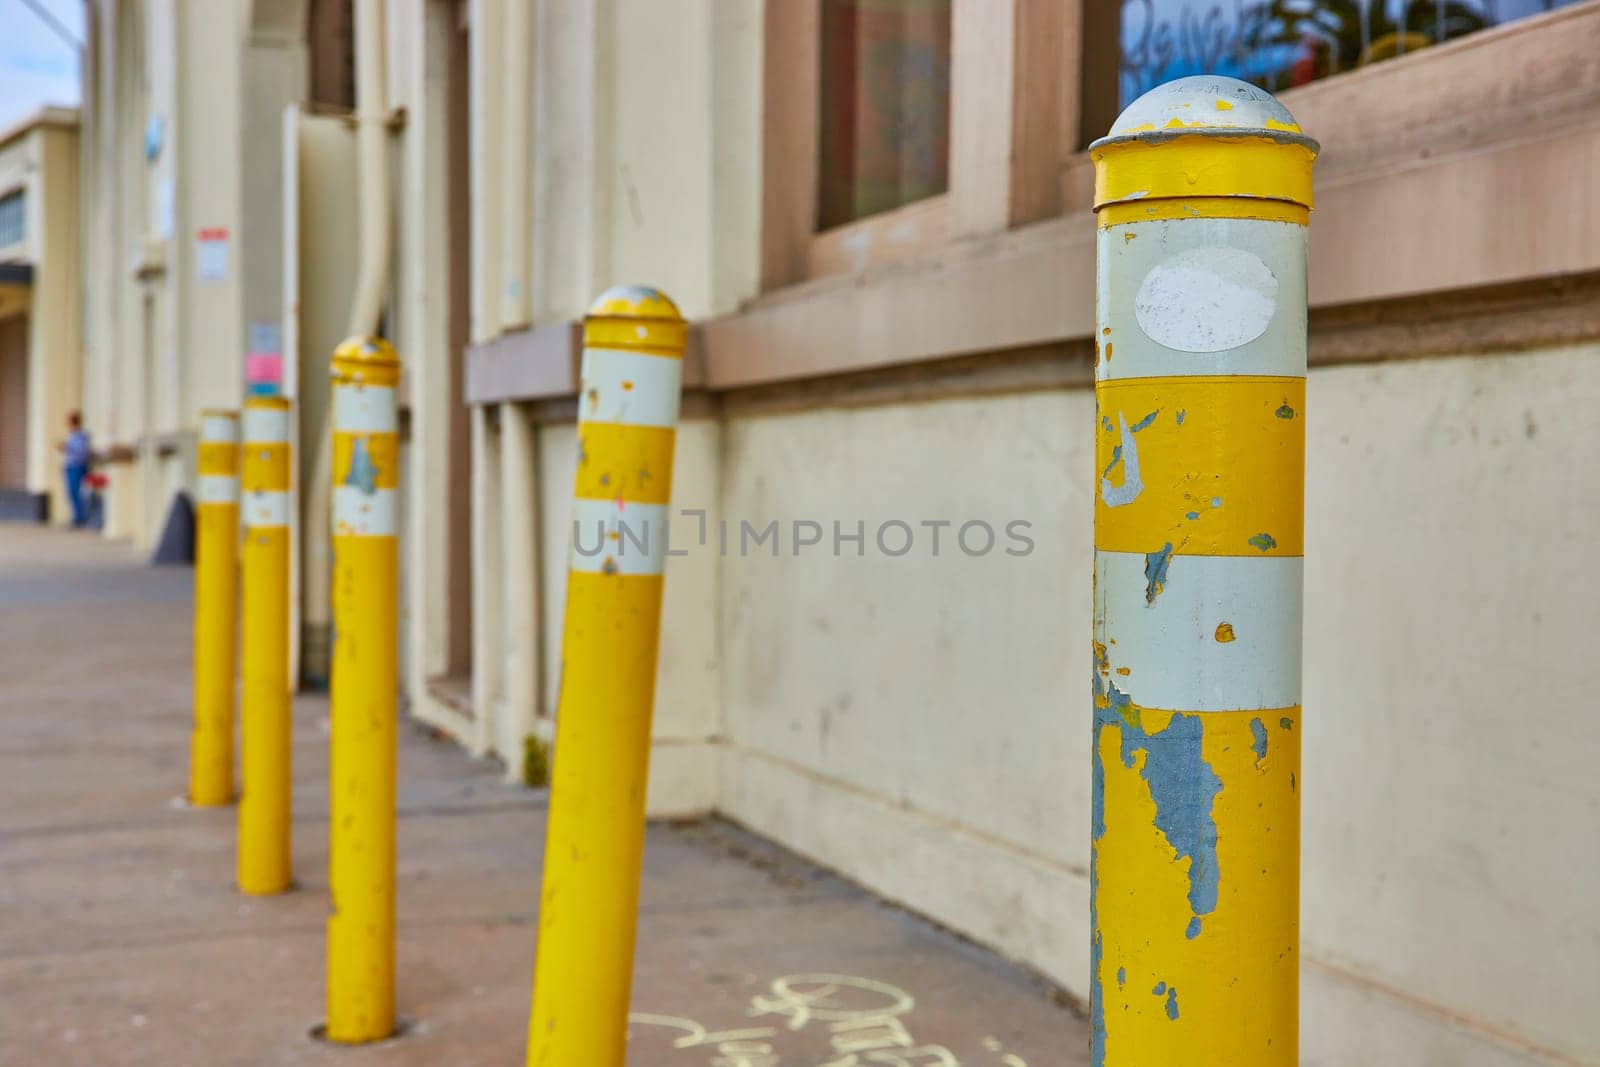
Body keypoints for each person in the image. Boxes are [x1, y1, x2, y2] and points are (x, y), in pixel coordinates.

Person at [57, 411, 93, 528]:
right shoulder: (72, 435)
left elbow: (82, 452)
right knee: (71, 493)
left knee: (76, 492)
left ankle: (80, 518)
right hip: (71, 466)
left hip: (77, 466)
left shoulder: (81, 435)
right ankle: (77, 517)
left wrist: (67, 447)